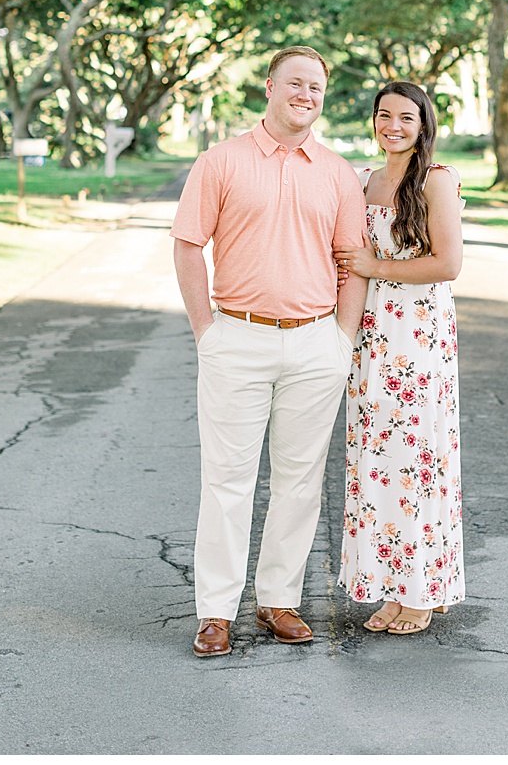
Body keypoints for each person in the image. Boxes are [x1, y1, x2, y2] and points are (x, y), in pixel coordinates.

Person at [171, 45, 367, 658]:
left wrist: (342, 339)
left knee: (300, 482)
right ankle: (215, 613)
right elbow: (186, 246)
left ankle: (278, 600)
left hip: (316, 344)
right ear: (269, 87)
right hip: (237, 337)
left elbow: (352, 262)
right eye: (295, 83)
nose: (305, 95)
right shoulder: (220, 161)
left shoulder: (336, 172)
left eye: (316, 87)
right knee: (226, 482)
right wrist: (208, 332)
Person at [332, 80, 465, 635]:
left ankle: (421, 589)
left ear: (423, 124)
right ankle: (388, 585)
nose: (393, 126)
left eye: (405, 118)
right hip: (371, 334)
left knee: (415, 457)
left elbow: (448, 264)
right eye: (384, 115)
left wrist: (373, 267)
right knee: (376, 458)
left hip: (418, 338)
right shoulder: (362, 181)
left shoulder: (436, 181)